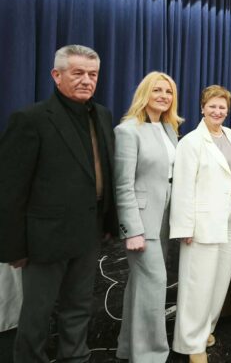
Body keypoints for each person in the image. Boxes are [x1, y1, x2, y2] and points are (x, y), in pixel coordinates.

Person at [0, 44, 117, 362]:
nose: (86, 80)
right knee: (37, 314)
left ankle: (74, 357)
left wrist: (108, 222)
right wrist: (14, 248)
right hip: (44, 238)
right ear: (56, 75)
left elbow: (106, 173)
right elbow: (10, 190)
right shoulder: (30, 119)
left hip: (89, 232)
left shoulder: (102, 115)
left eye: (92, 74)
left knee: (79, 307)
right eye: (77, 73)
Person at [170, 85, 231, 363]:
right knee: (198, 283)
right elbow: (182, 188)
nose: (217, 111)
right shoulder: (191, 142)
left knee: (220, 278)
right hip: (204, 218)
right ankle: (192, 344)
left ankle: (207, 329)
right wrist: (184, 227)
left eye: (222, 107)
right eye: (212, 106)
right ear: (202, 108)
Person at [114, 72, 182, 362]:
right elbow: (122, 184)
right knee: (154, 285)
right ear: (144, 93)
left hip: (164, 218)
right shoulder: (128, 130)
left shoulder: (168, 128)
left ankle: (129, 347)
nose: (163, 96)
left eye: (168, 91)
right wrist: (132, 230)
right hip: (142, 221)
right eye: (157, 90)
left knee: (142, 285)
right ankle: (150, 356)